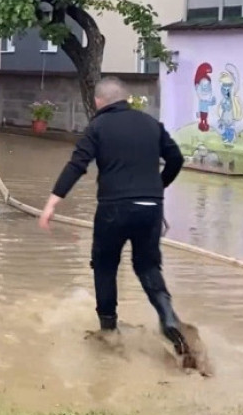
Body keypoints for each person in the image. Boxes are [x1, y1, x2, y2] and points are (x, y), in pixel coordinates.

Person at [37, 77, 190, 357]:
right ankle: (167, 316)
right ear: (126, 98)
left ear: (99, 101)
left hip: (113, 208)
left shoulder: (97, 127)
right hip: (150, 207)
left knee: (105, 266)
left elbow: (77, 165)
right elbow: (177, 159)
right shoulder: (151, 124)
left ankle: (108, 330)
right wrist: (157, 187)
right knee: (147, 266)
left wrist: (51, 203)